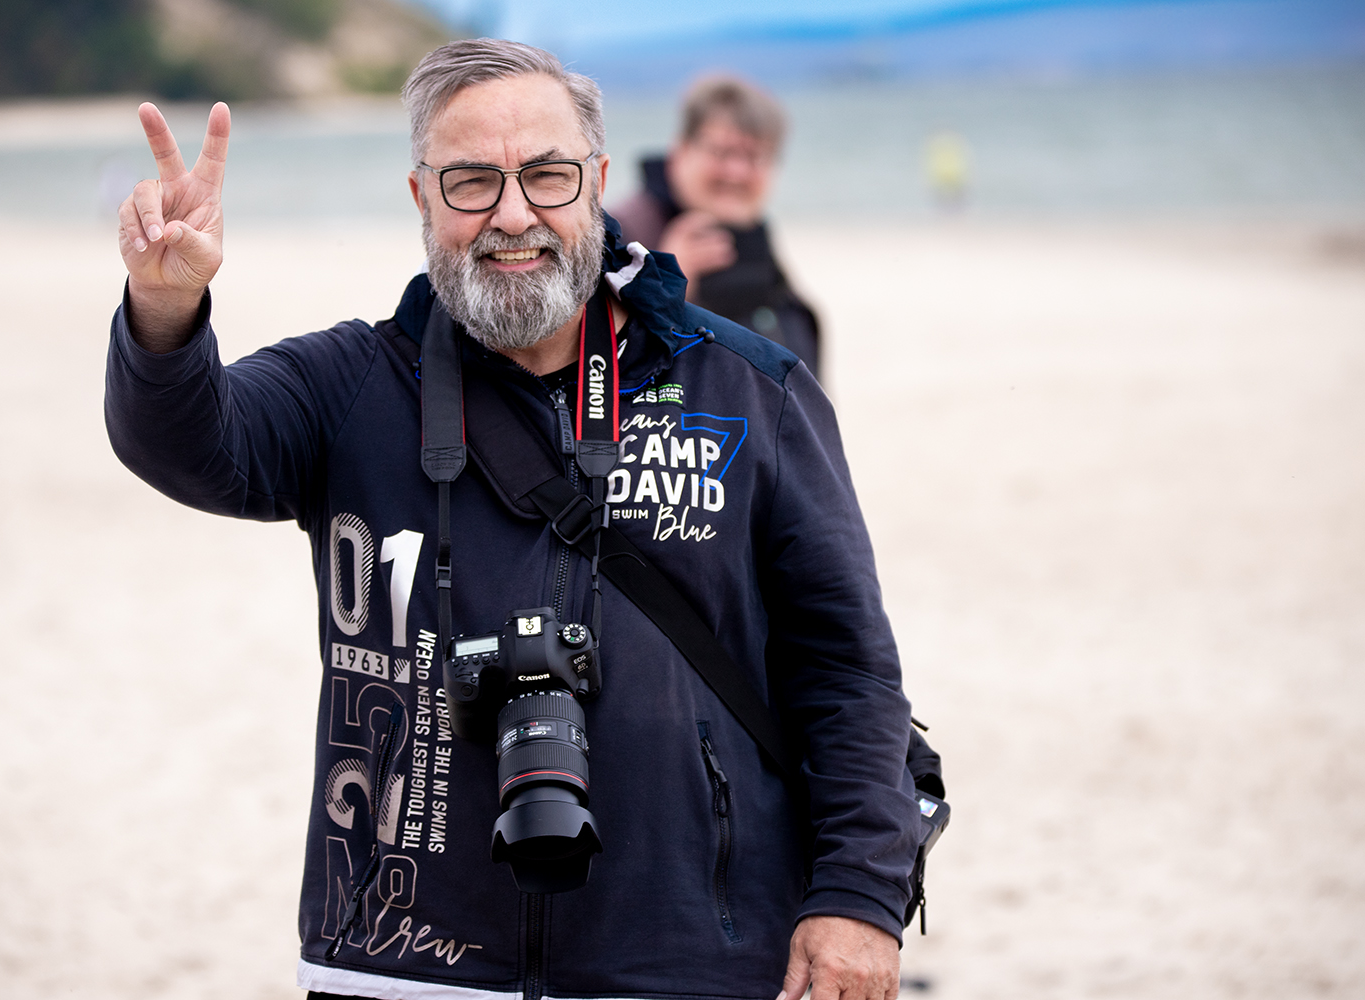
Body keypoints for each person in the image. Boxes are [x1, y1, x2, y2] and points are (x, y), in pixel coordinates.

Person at [105, 38, 919, 1000]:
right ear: (420, 198)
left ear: (600, 183)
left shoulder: (749, 388)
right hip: (403, 958)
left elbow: (847, 667)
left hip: (695, 958)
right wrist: (164, 308)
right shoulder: (351, 387)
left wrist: (860, 898)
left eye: (547, 175)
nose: (514, 214)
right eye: (470, 183)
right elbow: (188, 444)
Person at [609, 75, 821, 376]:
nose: (736, 172)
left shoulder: (754, 239)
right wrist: (663, 290)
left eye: (754, 156)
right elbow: (591, 374)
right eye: (722, 152)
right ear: (680, 151)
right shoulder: (621, 233)